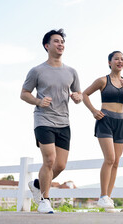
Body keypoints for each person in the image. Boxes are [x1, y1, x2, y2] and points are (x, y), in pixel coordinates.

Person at [20, 29, 82, 213]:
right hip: (43, 119)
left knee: (60, 165)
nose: (60, 44)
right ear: (47, 46)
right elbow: (24, 93)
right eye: (56, 41)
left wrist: (78, 97)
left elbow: (78, 93)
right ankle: (44, 200)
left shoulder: (72, 71)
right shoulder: (37, 71)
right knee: (49, 159)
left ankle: (38, 184)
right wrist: (39, 101)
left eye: (62, 41)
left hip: (64, 121)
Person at [82, 51, 123, 208]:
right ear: (109, 62)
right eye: (116, 59)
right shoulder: (102, 81)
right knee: (110, 158)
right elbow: (85, 94)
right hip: (105, 120)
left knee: (116, 162)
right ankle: (103, 195)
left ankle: (108, 198)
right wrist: (93, 110)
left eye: (122, 59)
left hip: (120, 122)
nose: (120, 61)